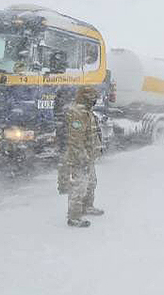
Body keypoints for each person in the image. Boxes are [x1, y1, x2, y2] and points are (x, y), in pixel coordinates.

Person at [63, 86, 104, 228]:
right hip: (81, 158)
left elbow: (93, 134)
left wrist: (98, 148)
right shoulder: (78, 113)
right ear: (86, 97)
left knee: (91, 183)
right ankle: (74, 217)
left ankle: (87, 206)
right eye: (93, 98)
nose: (95, 100)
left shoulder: (88, 112)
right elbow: (75, 140)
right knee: (79, 187)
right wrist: (82, 157)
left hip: (89, 157)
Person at [55, 88, 71, 195]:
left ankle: (63, 184)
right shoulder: (65, 109)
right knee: (66, 162)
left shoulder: (57, 107)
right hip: (66, 138)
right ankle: (64, 185)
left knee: (64, 163)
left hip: (63, 138)